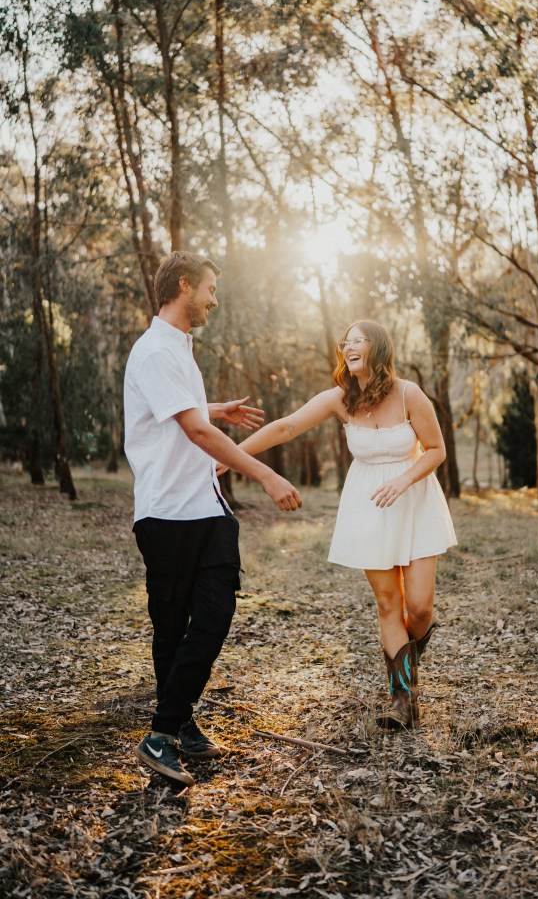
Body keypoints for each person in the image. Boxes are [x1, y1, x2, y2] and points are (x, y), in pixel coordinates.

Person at [124, 251, 302, 787]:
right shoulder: (155, 350)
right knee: (171, 628)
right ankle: (169, 731)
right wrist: (265, 475)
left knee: (214, 615)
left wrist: (216, 409)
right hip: (167, 512)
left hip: (205, 506)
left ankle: (170, 723)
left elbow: (187, 416)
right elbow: (195, 433)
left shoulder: (178, 347)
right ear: (184, 285)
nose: (214, 300)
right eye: (210, 289)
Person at [238, 320, 456, 730]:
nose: (349, 346)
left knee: (419, 607)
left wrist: (404, 479)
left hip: (414, 501)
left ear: (379, 348)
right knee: (388, 603)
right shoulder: (340, 398)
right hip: (369, 506)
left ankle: (407, 666)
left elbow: (436, 450)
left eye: (359, 340)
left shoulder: (409, 394)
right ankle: (402, 698)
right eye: (346, 341)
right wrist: (230, 454)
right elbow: (286, 426)